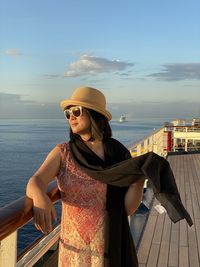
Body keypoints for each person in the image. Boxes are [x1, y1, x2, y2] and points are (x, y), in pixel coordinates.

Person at [26, 86, 146, 267]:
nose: (71, 117)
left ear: (95, 115)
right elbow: (36, 180)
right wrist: (39, 196)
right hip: (74, 250)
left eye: (76, 111)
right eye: (68, 113)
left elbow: (125, 210)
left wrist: (138, 182)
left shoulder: (118, 154)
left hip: (108, 247)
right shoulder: (63, 152)